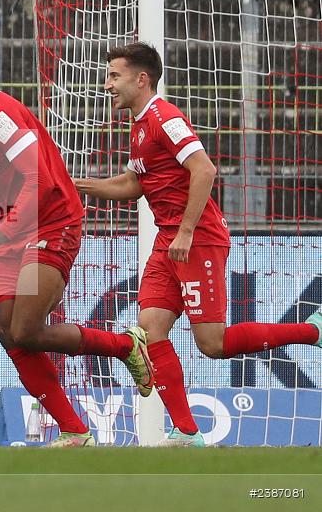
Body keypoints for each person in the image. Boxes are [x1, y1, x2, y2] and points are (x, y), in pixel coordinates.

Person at [75, 42, 322, 446]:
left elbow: (203, 170)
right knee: (150, 332)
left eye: (114, 76)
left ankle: (311, 332)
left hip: (197, 239)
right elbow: (131, 185)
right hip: (168, 239)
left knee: (213, 344)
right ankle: (186, 432)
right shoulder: (138, 126)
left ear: (142, 79)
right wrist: (75, 184)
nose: (107, 85)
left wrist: (187, 231)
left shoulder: (164, 117)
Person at [0, 54, 153, 448]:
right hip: (12, 231)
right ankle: (74, 429)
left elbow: (39, 181)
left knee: (26, 329)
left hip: (52, 219)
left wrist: (0, 232)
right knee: (8, 332)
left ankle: (124, 346)